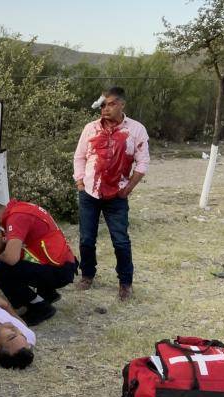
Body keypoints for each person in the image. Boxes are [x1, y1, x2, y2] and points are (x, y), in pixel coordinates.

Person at [73, 87, 150, 301]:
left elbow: (143, 162)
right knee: (87, 238)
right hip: (89, 192)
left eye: (111, 104)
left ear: (122, 105)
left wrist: (129, 187)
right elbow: (79, 156)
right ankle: (87, 275)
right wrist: (80, 181)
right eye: (103, 105)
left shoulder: (136, 130)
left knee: (121, 240)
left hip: (117, 194)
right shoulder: (90, 128)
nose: (105, 109)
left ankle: (125, 283)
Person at [0, 199, 78, 326]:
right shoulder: (15, 210)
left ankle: (40, 308)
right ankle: (48, 294)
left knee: (0, 269)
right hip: (61, 263)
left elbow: (10, 258)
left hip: (60, 270)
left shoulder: (16, 218)